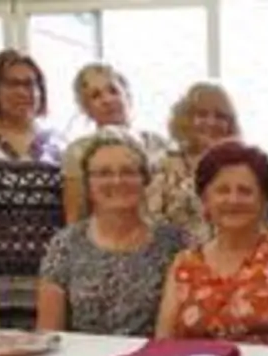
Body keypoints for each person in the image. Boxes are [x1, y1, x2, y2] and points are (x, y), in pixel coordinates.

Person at [155, 142, 268, 345]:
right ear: (205, 200)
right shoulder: (184, 263)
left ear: (264, 201)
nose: (234, 200)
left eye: (245, 191)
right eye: (222, 190)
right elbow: (164, 340)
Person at [38, 134, 184, 336]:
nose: (117, 181)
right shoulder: (65, 244)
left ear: (145, 180)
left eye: (128, 172)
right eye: (103, 173)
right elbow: (49, 334)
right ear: (88, 185)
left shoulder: (174, 243)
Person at [0, 49, 67, 329]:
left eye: (31, 83)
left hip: (47, 280)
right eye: (12, 83)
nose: (24, 91)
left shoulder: (59, 144)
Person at [61, 63, 169, 224]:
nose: (107, 100)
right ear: (86, 108)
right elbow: (74, 217)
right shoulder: (77, 151)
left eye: (114, 91)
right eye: (95, 96)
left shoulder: (158, 144)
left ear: (127, 95)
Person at [147, 81, 240, 244]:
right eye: (202, 115)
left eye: (220, 116)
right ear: (185, 119)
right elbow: (151, 222)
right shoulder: (162, 165)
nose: (211, 122)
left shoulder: (243, 166)